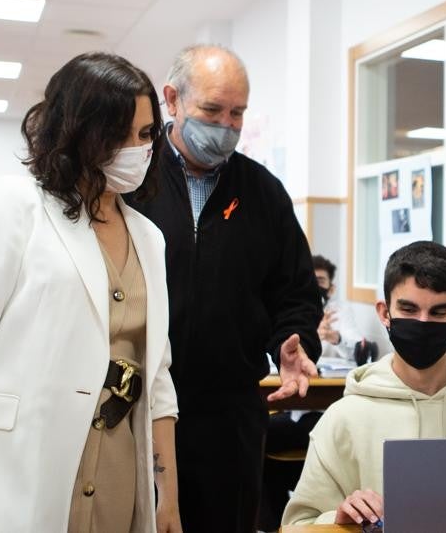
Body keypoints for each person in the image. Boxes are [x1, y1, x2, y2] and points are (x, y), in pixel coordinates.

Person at [0, 52, 182, 532]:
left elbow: (157, 379)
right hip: (15, 475)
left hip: (119, 479)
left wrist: (169, 502)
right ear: (79, 132)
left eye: (145, 135)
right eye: (121, 134)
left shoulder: (148, 238)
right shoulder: (12, 205)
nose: (137, 150)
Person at [125, 44, 322, 532]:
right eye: (212, 111)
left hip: (229, 418)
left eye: (237, 114)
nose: (226, 126)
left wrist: (293, 343)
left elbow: (295, 292)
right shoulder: (132, 183)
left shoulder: (263, 193)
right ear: (172, 100)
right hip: (136, 410)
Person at [281, 241, 446, 527]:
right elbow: (297, 524)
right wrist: (339, 520)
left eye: (438, 312)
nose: (423, 322)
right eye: (408, 309)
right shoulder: (343, 418)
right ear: (384, 313)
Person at [259, 255, 366, 530]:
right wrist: (311, 336)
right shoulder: (295, 312)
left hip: (329, 408)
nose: (315, 286)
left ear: (330, 288)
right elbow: (276, 356)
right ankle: (271, 522)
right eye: (311, 281)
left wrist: (335, 338)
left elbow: (360, 348)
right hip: (295, 408)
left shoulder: (340, 311)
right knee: (257, 435)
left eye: (321, 281)